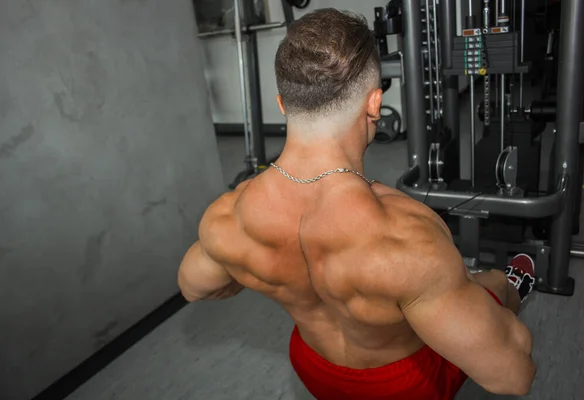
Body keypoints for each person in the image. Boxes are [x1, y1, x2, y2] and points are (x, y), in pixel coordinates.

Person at [177, 8, 537, 400]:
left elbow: (194, 287)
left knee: (454, 287)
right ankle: (509, 285)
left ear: (283, 104)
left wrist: (270, 273)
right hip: (401, 386)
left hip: (313, 366)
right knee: (492, 285)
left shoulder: (227, 218)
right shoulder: (407, 237)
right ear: (374, 103)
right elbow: (513, 377)